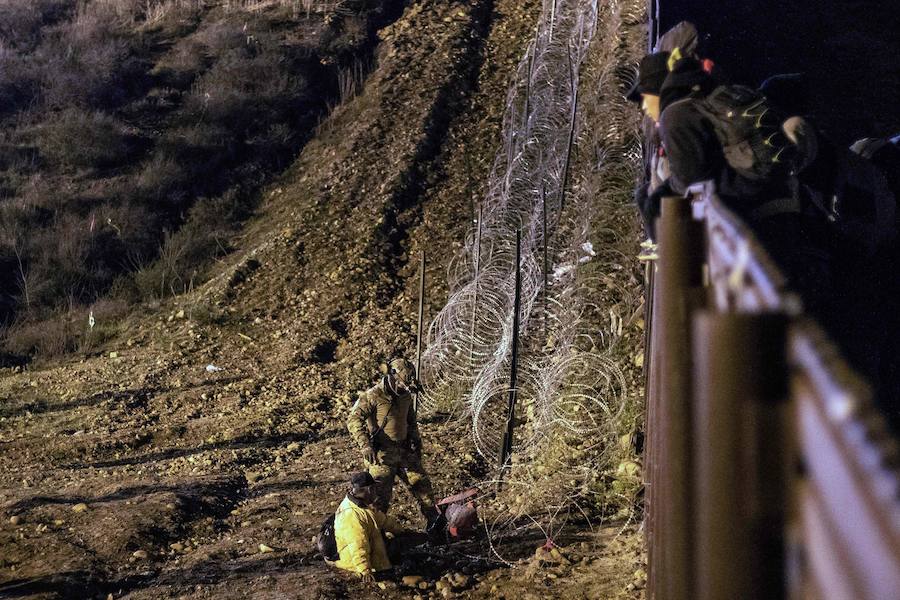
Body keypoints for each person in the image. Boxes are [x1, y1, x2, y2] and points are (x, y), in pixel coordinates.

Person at [347, 358, 438, 525]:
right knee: (377, 500)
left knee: (424, 490)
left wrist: (416, 443)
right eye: (405, 378)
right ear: (394, 376)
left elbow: (410, 421)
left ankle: (435, 527)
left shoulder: (405, 397)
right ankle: (376, 536)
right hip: (382, 455)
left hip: (404, 451)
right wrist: (365, 445)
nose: (408, 384)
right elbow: (353, 419)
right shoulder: (374, 395)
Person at [333, 471, 405, 581]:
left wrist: (401, 531)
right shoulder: (351, 515)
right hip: (352, 562)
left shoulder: (362, 505)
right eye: (374, 489)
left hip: (365, 551)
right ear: (369, 489)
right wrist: (365, 570)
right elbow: (357, 544)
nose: (376, 492)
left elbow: (383, 521)